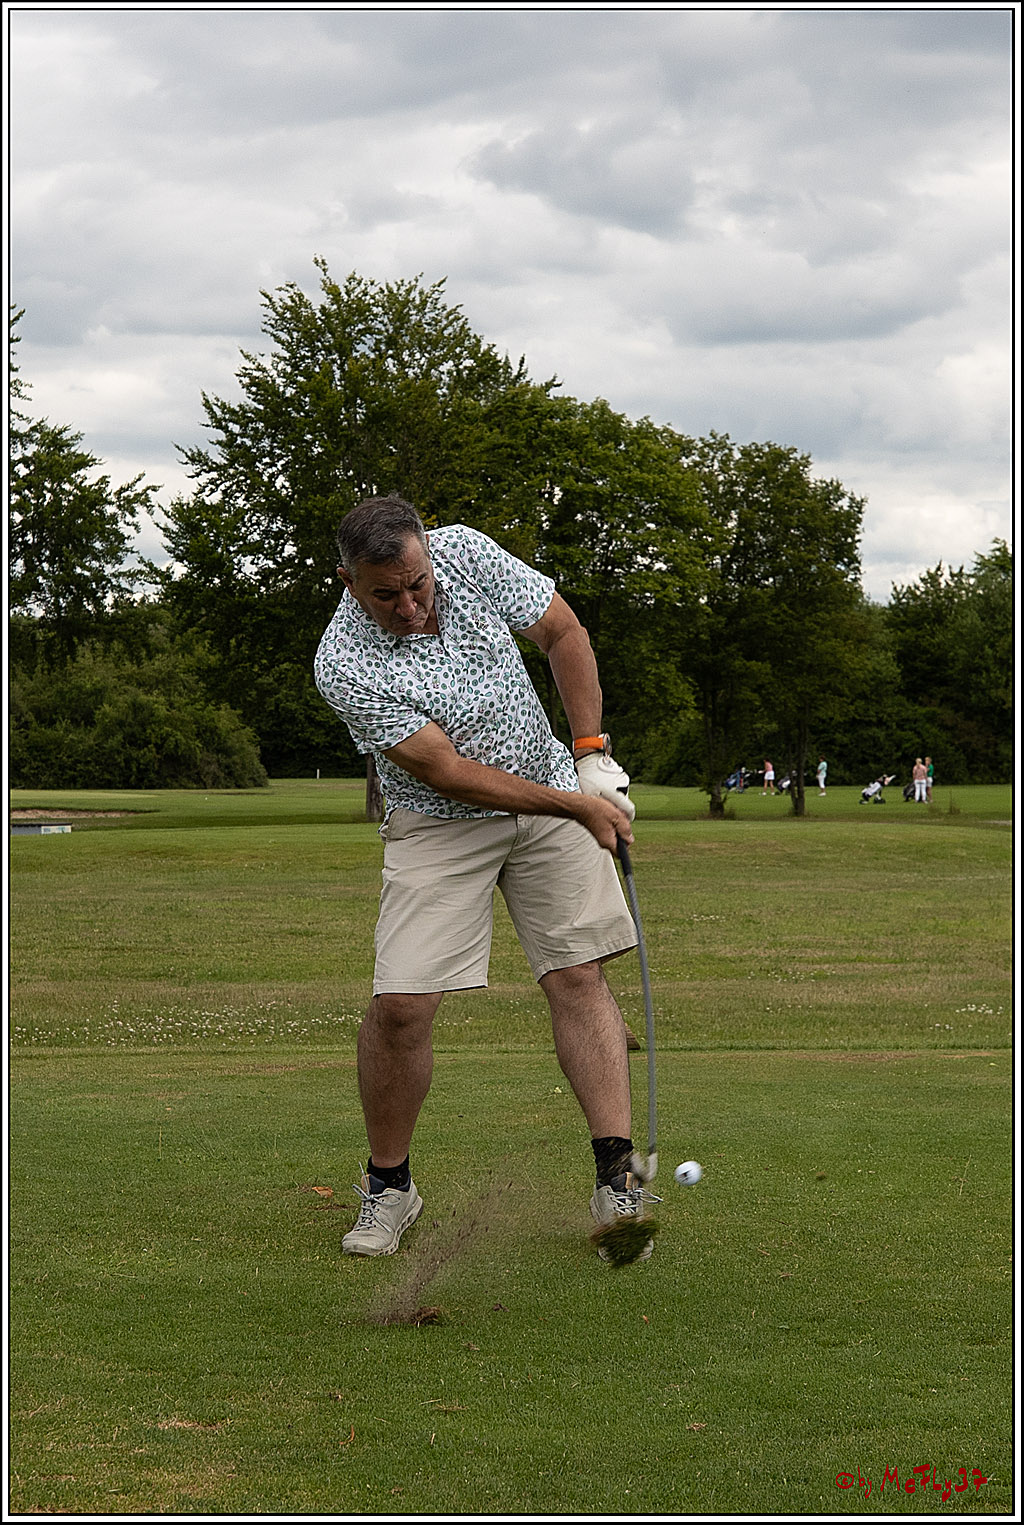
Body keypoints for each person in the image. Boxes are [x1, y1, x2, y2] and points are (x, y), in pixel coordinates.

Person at [314, 497, 654, 1264]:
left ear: (430, 556)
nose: (409, 606)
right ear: (348, 581)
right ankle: (390, 1186)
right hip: (439, 820)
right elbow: (449, 773)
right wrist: (579, 804)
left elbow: (563, 631)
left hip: (549, 783)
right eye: (385, 595)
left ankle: (617, 1178)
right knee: (401, 1006)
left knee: (578, 976)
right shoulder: (344, 664)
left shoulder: (467, 552)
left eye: (417, 584)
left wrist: (592, 752)